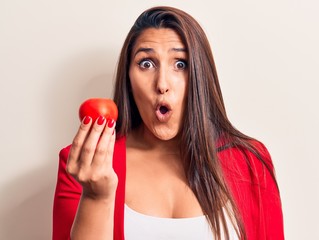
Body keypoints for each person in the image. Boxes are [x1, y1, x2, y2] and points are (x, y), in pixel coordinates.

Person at [53, 6, 284, 240]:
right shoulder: (82, 166)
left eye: (180, 64)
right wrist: (96, 197)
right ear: (128, 78)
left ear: (200, 76)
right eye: (146, 63)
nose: (162, 83)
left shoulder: (251, 161)